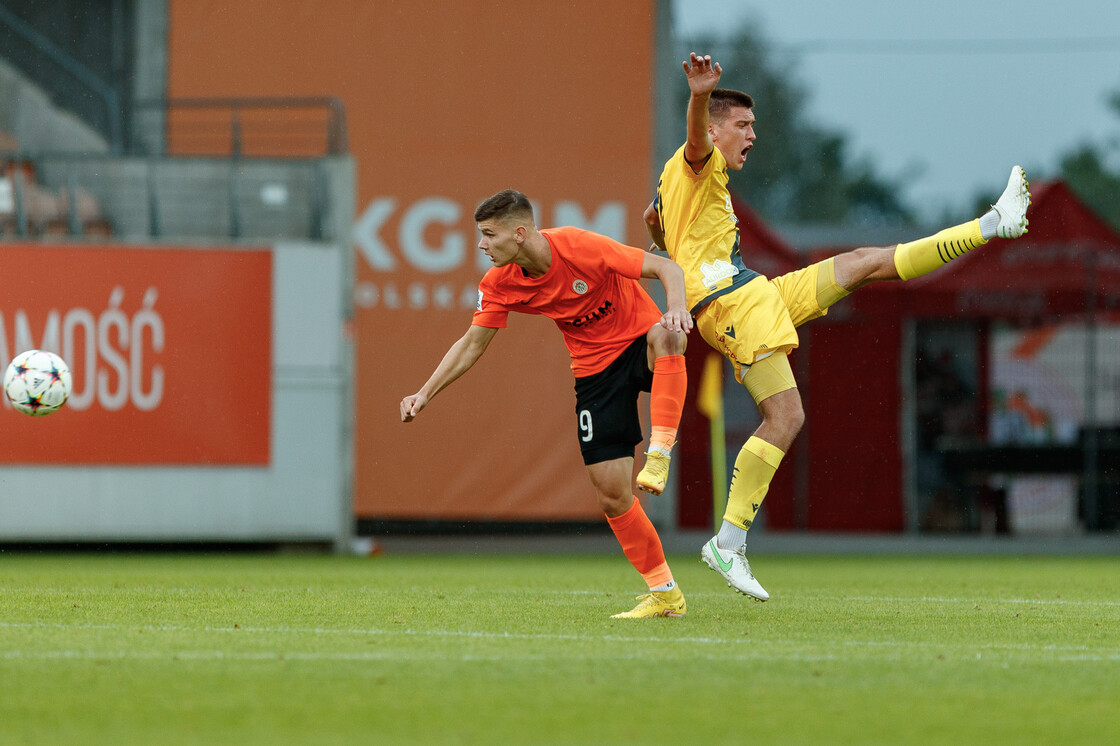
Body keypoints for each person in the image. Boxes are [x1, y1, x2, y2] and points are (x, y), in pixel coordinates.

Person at [646, 53, 1031, 601]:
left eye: (754, 125)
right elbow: (693, 144)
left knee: (863, 263)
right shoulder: (699, 157)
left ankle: (993, 223)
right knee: (786, 415)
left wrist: (657, 225)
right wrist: (700, 95)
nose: (753, 134)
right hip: (733, 306)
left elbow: (663, 228)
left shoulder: (680, 179)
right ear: (713, 129)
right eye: (744, 125)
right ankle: (728, 542)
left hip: (756, 292)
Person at [401, 189, 694, 618]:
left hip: (640, 341)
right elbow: (470, 345)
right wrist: (423, 392)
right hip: (595, 373)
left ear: (519, 233)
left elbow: (666, 267)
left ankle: (661, 451)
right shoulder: (499, 283)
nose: (481, 245)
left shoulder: (580, 246)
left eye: (487, 235)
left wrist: (677, 309)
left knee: (670, 335)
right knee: (612, 495)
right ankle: (665, 593)